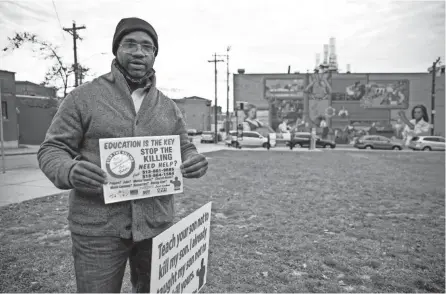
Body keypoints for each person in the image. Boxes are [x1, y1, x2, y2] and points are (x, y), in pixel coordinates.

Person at [37, 17, 208, 293]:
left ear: (154, 54)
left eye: (147, 47)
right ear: (116, 49)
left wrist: (192, 159)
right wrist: (69, 170)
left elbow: (184, 146)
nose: (139, 52)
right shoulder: (84, 97)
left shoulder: (168, 107)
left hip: (156, 226)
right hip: (98, 229)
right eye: (130, 44)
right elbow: (52, 149)